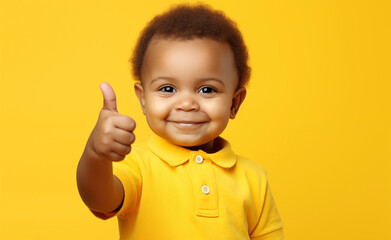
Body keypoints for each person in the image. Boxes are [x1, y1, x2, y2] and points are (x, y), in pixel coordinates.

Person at [77, 4, 284, 240]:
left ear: (234, 103)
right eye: (168, 88)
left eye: (207, 90)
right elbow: (99, 199)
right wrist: (96, 154)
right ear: (143, 99)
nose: (186, 104)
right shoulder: (137, 165)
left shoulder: (253, 177)